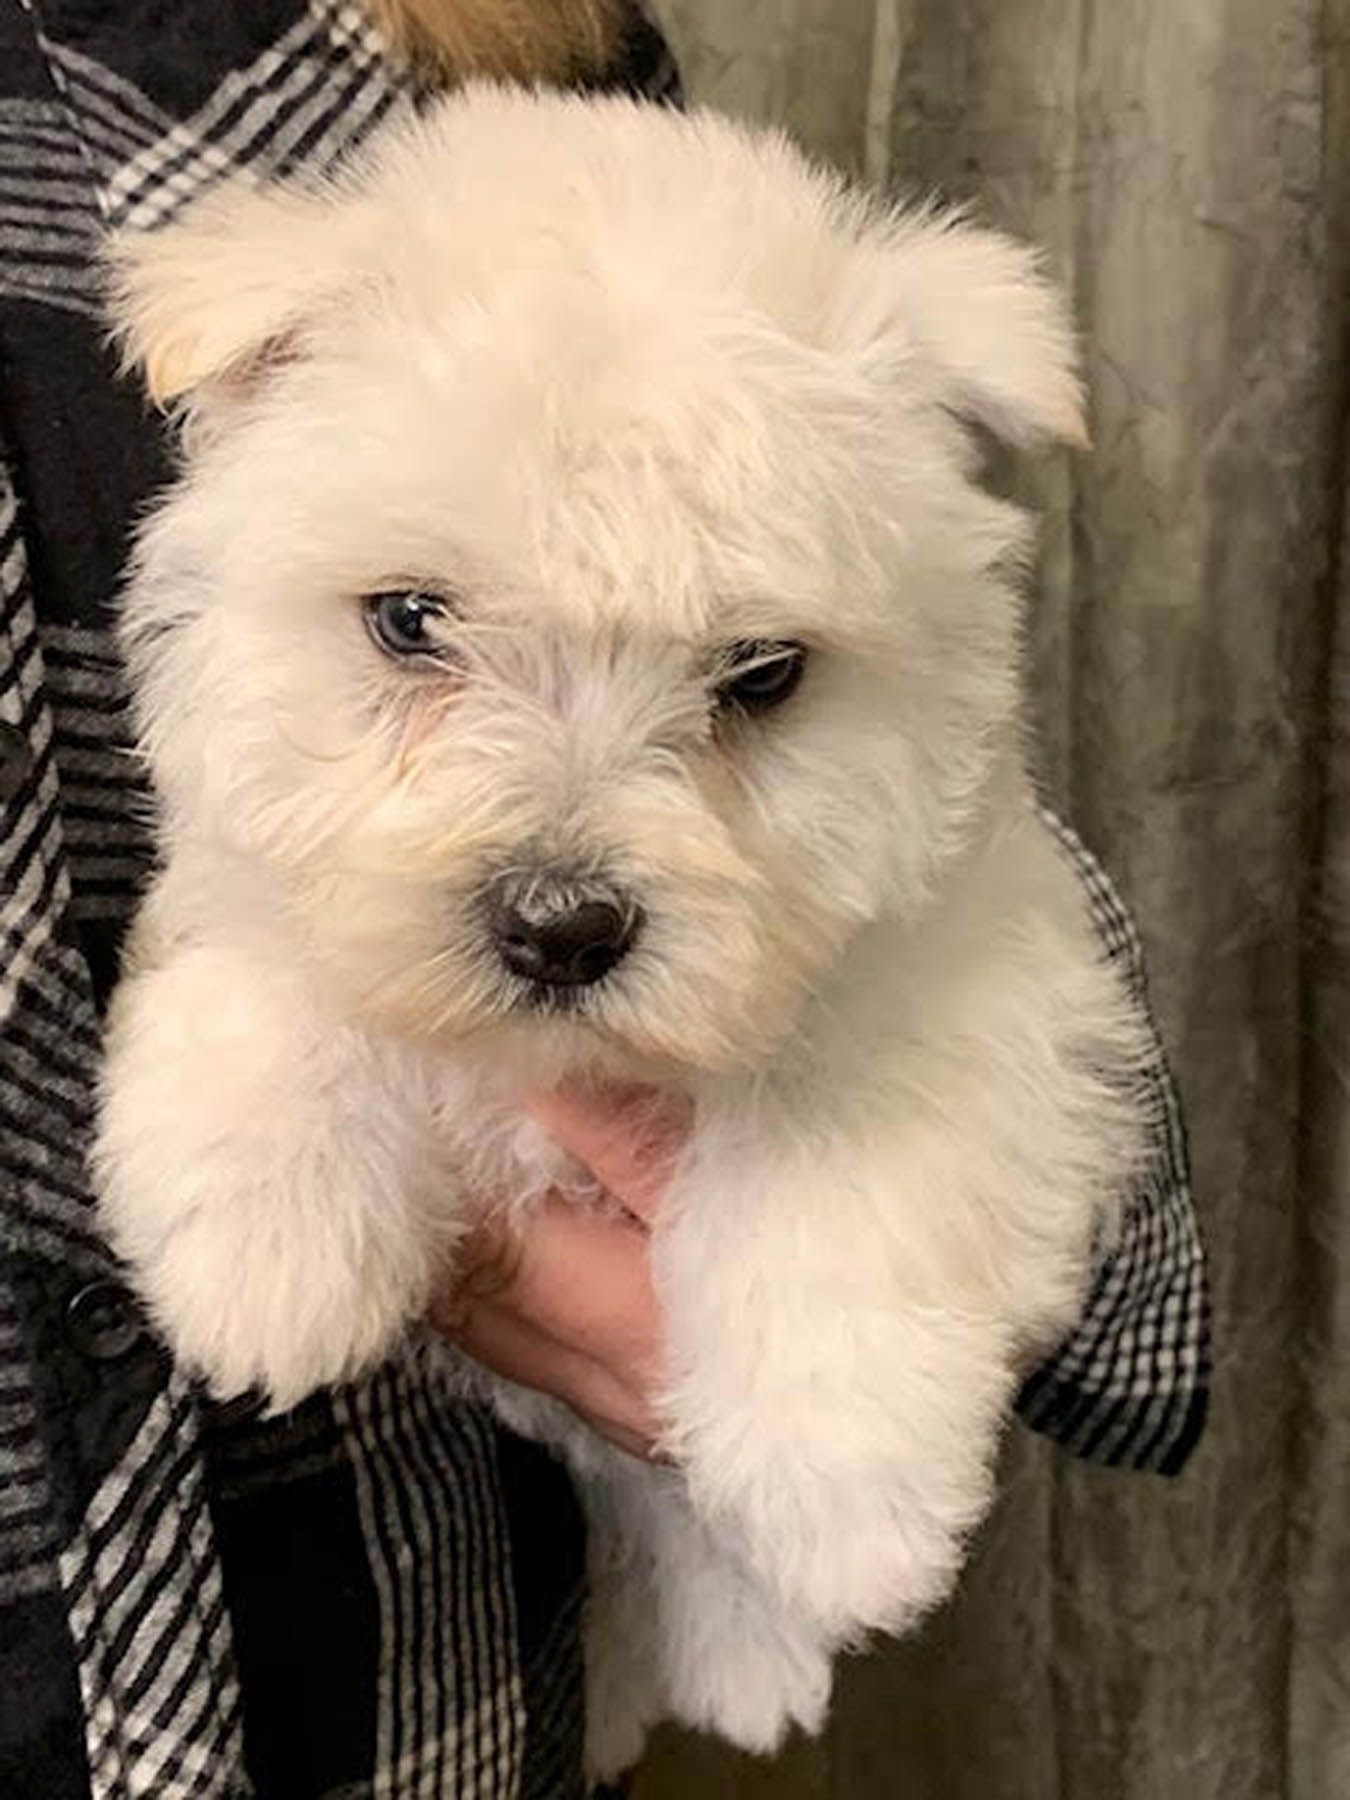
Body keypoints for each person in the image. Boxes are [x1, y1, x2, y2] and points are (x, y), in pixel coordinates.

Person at [0, 4, 1207, 1796]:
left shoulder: (477, 66)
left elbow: (983, 944)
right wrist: (266, 1081)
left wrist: (844, 1312)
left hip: (445, 1694)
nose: (564, 864)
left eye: (749, 680)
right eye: (418, 629)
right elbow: (231, 909)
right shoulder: (298, 296)